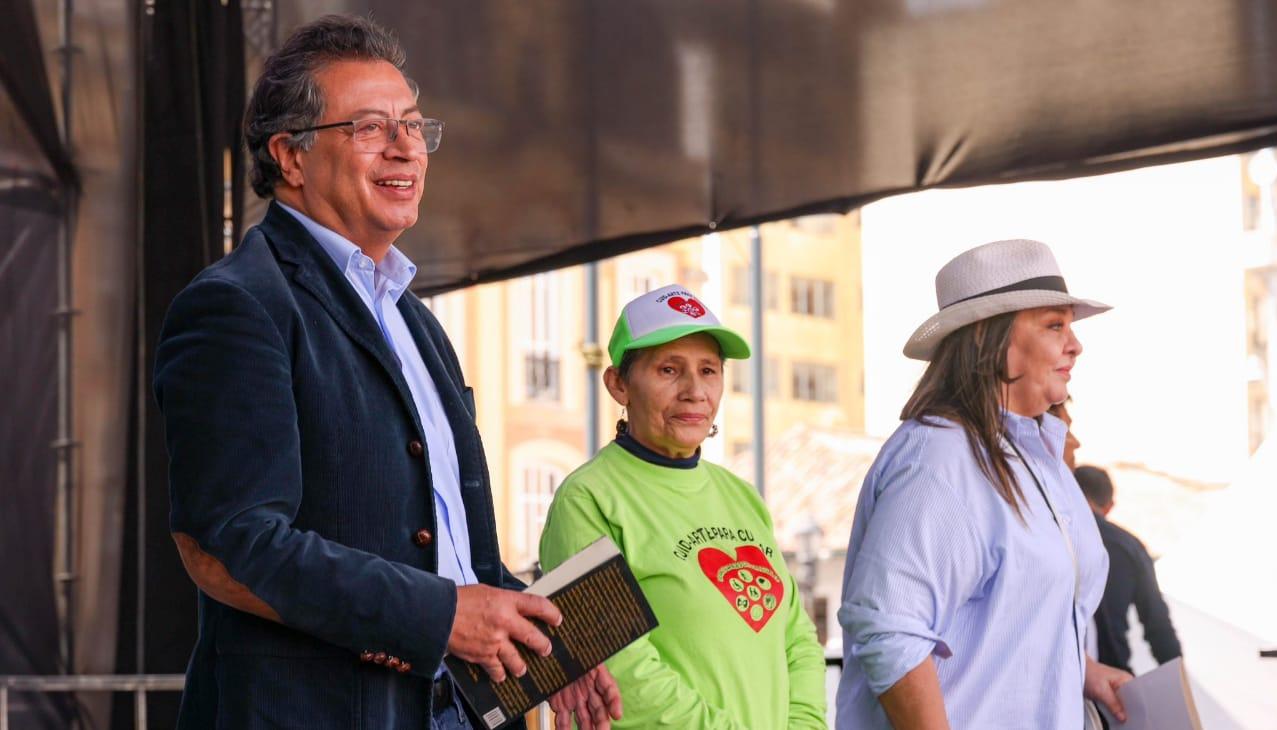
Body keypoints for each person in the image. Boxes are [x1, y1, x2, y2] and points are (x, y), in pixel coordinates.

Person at [153, 15, 619, 730]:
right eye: (369, 127)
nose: (406, 147)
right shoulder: (237, 305)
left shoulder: (413, 318)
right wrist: (440, 617)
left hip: (449, 709)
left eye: (413, 125)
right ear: (292, 156)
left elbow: (446, 547)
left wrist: (553, 649)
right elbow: (227, 545)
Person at [836, 239, 1133, 729]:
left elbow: (1012, 624)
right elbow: (890, 630)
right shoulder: (940, 458)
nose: (1075, 344)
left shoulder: (1039, 458)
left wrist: (1084, 671)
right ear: (988, 340)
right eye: (1055, 325)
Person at [538, 284, 828, 728]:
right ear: (619, 385)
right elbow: (624, 675)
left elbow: (797, 637)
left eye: (709, 370)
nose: (695, 391)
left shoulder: (741, 496)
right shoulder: (587, 500)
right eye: (669, 370)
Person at [1074, 465, 1183, 674]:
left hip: (1058, 680)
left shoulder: (1048, 535)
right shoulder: (1129, 547)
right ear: (1109, 506)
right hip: (1113, 680)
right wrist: (1178, 681)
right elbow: (1158, 625)